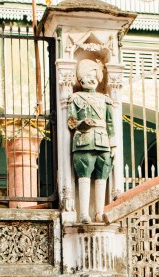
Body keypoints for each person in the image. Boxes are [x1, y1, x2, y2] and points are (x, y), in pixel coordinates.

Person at [68, 59, 114, 224]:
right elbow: (71, 121)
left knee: (102, 176)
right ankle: (84, 214)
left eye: (94, 74)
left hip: (103, 142)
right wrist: (82, 124)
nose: (92, 78)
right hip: (83, 140)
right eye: (88, 75)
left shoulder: (105, 99)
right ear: (81, 79)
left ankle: (100, 213)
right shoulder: (76, 98)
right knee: (84, 175)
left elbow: (110, 123)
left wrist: (114, 144)